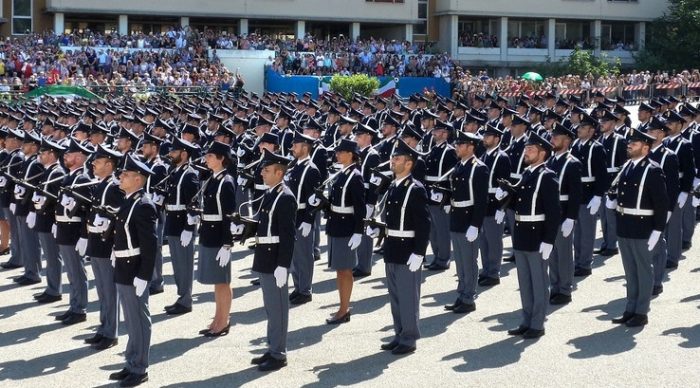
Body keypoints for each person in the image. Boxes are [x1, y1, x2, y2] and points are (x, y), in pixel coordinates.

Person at [498, 132, 560, 339]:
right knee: (525, 281)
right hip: (522, 233)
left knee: (539, 282)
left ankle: (537, 323)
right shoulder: (527, 173)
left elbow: (553, 212)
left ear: (542, 153)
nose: (526, 152)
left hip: (537, 234)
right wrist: (506, 195)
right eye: (526, 149)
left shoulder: (547, 176)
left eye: (531, 149)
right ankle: (526, 320)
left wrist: (549, 240)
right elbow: (520, 203)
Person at [607, 129, 669, 328]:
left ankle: (641, 311)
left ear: (645, 147)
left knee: (643, 270)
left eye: (634, 143)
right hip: (625, 225)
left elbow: (661, 203)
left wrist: (658, 231)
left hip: (643, 227)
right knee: (630, 270)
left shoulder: (653, 169)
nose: (629, 146)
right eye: (629, 143)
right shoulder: (627, 166)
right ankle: (630, 308)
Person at [244, 149, 296, 372]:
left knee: (278, 309)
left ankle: (279, 353)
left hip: (275, 258)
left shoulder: (285, 197)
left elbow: (287, 235)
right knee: (270, 308)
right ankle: (272, 346)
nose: (262, 174)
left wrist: (284, 265)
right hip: (265, 256)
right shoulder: (271, 193)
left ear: (279, 173)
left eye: (266, 170)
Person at [108, 155, 157, 387]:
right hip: (123, 266)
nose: (121, 177)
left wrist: (144, 275)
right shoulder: (129, 200)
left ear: (138, 179)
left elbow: (150, 246)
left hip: (135, 269)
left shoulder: (144, 205)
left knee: (138, 318)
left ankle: (140, 368)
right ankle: (131, 363)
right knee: (131, 319)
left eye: (126, 175)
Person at [379, 139, 430, 355]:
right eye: (393, 157)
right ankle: (399, 333)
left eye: (397, 158)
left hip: (408, 248)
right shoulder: (393, 185)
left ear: (408, 164)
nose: (393, 161)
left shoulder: (415, 189)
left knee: (408, 297)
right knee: (396, 296)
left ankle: (409, 338)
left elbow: (423, 224)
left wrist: (419, 252)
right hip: (392, 247)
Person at [312, 138, 366, 324]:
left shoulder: (355, 176)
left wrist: (359, 231)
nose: (337, 154)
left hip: (347, 227)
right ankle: (342, 307)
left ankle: (344, 309)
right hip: (336, 225)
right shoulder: (341, 173)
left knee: (345, 270)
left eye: (341, 151)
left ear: (350, 154)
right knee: (339, 270)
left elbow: (360, 208)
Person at [441, 131, 488, 314]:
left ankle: (469, 298)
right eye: (457, 144)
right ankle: (461, 295)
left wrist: (475, 225)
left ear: (471, 147)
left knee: (469, 261)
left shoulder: (479, 168)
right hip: (457, 218)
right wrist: (446, 201)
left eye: (461, 145)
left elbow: (481, 200)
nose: (457, 147)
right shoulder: (459, 166)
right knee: (460, 262)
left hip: (469, 220)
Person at [84, 144, 124, 350]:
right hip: (96, 243)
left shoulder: (114, 186)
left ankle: (111, 332)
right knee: (102, 290)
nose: (93, 164)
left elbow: (118, 217)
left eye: (98, 162)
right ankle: (104, 328)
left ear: (109, 164)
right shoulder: (103, 184)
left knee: (109, 290)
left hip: (107, 245)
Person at [196, 141, 236, 336]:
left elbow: (229, 216)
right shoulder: (212, 179)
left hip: (219, 238)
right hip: (209, 235)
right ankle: (217, 318)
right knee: (216, 281)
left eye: (211, 156)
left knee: (222, 281)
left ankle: (223, 320)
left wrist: (227, 244)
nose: (206, 159)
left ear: (221, 159)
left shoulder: (226, 182)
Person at [54, 138, 95, 326]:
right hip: (64, 228)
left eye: (69, 155)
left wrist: (84, 236)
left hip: (73, 231)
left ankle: (80, 309)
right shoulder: (69, 176)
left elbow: (87, 210)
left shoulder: (83, 179)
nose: (65, 157)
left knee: (77, 272)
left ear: (79, 158)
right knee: (70, 272)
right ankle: (74, 305)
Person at [163, 137, 201, 315]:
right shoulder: (175, 171)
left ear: (184, 154)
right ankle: (181, 297)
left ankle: (186, 300)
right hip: (172, 221)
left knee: (184, 265)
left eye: (175, 151)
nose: (171, 154)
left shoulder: (189, 174)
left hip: (182, 225)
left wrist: (188, 228)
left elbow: (193, 204)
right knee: (177, 265)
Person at [546, 124, 583, 305]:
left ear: (567, 140)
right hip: (550, 216)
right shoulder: (550, 161)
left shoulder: (572, 163)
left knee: (564, 254)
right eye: (552, 136)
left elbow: (576, 194)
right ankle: (555, 286)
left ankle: (565, 289)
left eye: (557, 137)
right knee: (552, 254)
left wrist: (571, 218)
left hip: (563, 214)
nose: (552, 140)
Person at [286, 132, 321, 305]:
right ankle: (298, 286)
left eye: (296, 145)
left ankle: (305, 290)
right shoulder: (295, 166)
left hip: (302, 217)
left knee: (304, 255)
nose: (293, 148)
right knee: (294, 255)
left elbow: (313, 199)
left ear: (305, 148)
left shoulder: (311, 169)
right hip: (292, 216)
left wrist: (309, 220)